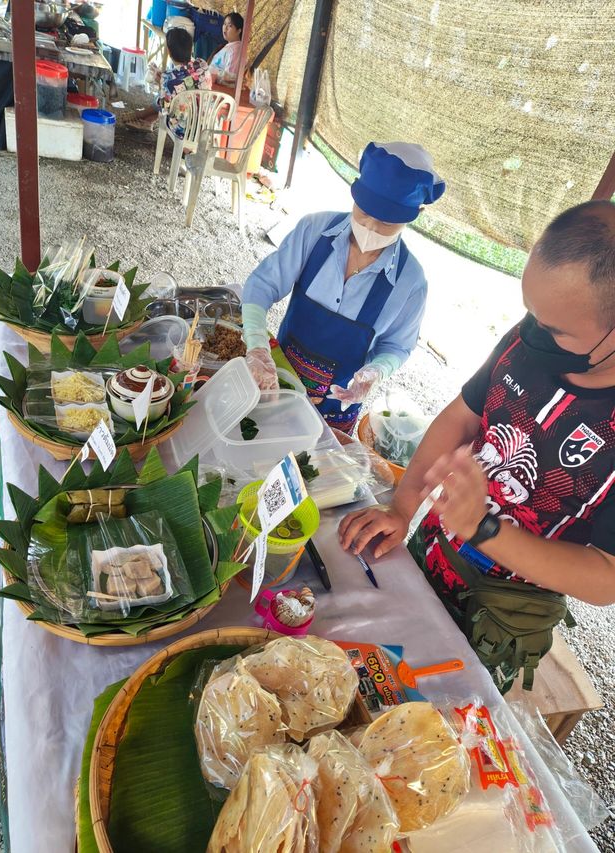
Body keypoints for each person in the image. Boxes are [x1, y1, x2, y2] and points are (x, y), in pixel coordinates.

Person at [339, 200, 615, 689]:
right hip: (433, 552)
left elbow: (604, 578)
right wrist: (403, 508)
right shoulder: (531, 336)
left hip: (501, 613)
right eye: (531, 312)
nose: (533, 333)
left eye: (555, 330)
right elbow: (461, 417)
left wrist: (483, 529)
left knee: (442, 721)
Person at [242, 142, 446, 432]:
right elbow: (262, 285)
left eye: (387, 222)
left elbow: (397, 345)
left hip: (335, 411)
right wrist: (257, 346)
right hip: (276, 381)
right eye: (364, 211)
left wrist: (377, 370)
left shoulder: (411, 282)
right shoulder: (314, 232)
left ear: (416, 214)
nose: (371, 226)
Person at [126, 28, 211, 133]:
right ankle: (146, 121)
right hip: (205, 126)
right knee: (172, 97)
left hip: (183, 130)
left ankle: (142, 116)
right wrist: (164, 80)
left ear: (169, 52)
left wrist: (161, 84)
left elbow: (164, 109)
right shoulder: (202, 64)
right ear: (191, 48)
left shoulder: (168, 78)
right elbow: (185, 77)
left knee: (163, 100)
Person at [209, 12, 244, 84]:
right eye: (224, 24)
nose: (225, 28)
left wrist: (213, 76)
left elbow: (230, 78)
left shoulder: (236, 50)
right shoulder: (228, 46)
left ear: (238, 31)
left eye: (230, 26)